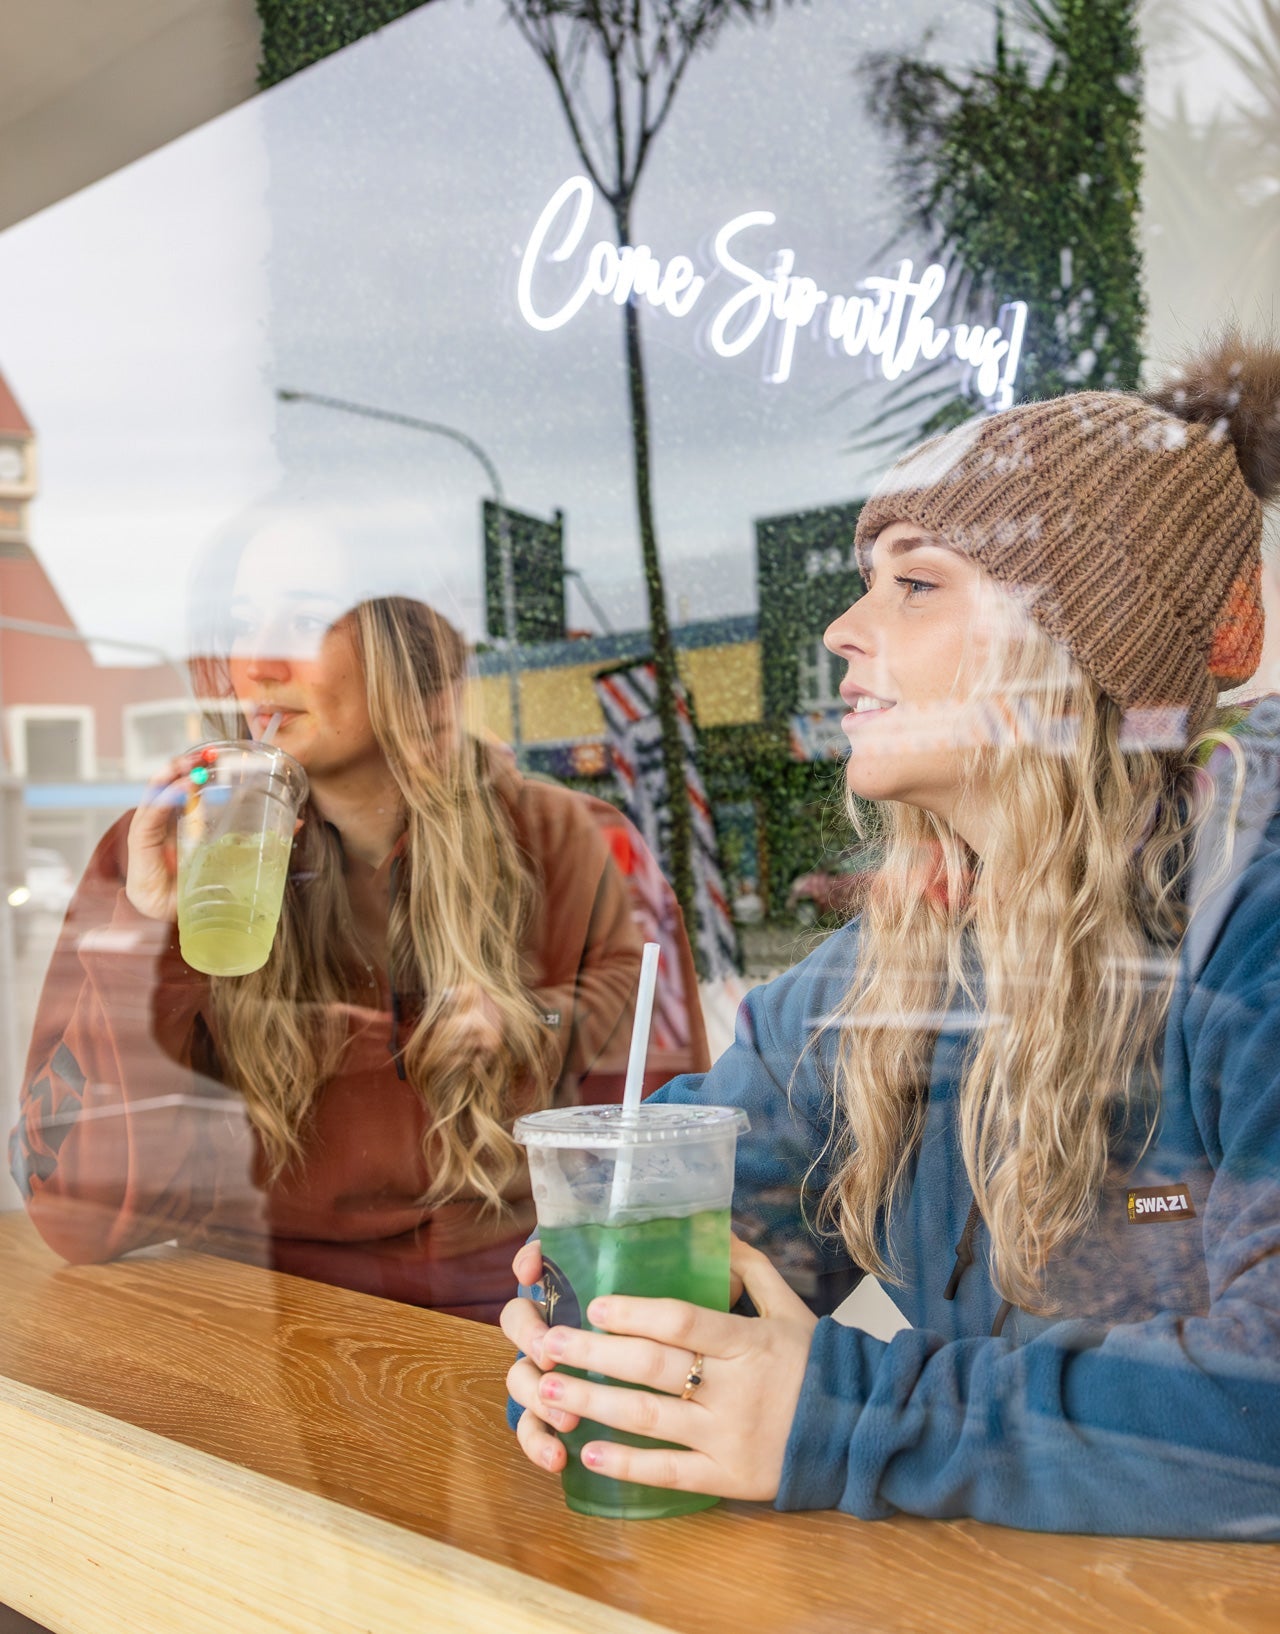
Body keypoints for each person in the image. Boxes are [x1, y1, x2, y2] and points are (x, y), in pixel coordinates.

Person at [503, 333, 1280, 1535]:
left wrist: (847, 1416)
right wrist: (612, 1344)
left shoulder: (1248, 937)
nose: (839, 630)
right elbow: (718, 1216)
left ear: (1074, 642)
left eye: (914, 584)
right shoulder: (884, 974)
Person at [10, 508, 708, 1323]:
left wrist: (526, 1026)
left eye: (306, 620)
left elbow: (662, 1181)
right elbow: (74, 1215)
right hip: (247, 1329)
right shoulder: (160, 858)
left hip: (511, 1331)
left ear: (407, 658)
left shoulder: (576, 848)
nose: (256, 663)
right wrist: (149, 938)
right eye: (240, 623)